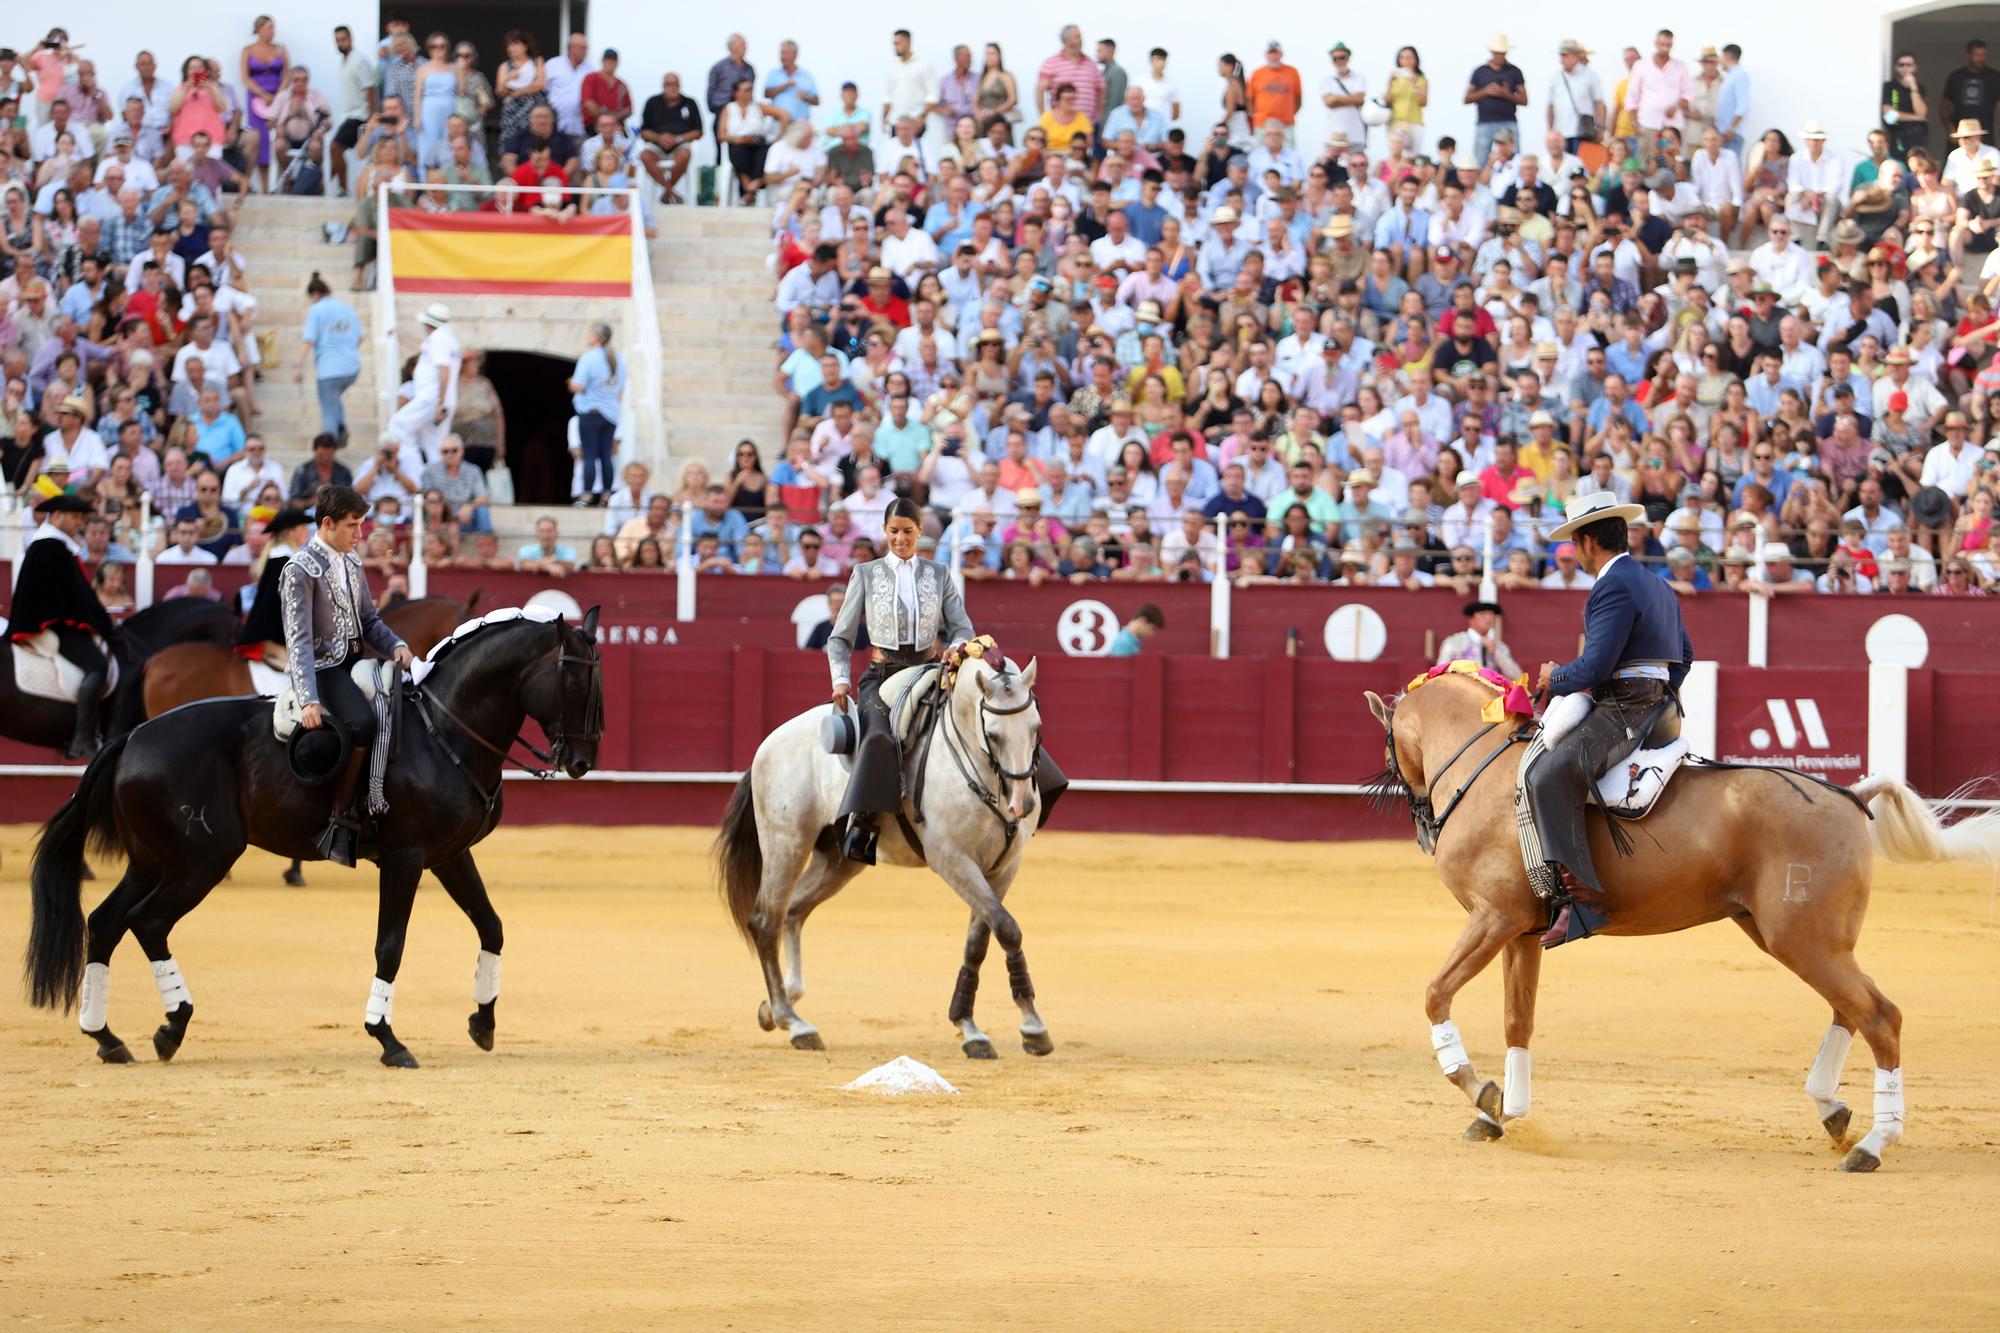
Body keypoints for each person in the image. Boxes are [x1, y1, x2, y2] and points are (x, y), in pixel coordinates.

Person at [1529, 491, 1694, 949]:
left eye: (1574, 544)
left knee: (1549, 775)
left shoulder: (1611, 585)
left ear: (1586, 542)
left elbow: (1595, 667)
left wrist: (1553, 676)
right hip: (1660, 705)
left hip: (1625, 706)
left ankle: (1580, 900)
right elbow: (1685, 656)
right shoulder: (1656, 583)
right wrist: (1660, 689)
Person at [826, 496, 975, 865]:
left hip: (928, 672)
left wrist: (956, 649)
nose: (901, 539)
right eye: (894, 531)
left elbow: (962, 628)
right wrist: (841, 679)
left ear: (920, 531)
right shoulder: (865, 573)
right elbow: (840, 637)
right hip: (881, 675)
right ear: (884, 532)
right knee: (878, 737)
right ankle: (864, 821)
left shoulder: (939, 574)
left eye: (908, 531)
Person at [280, 484, 416, 868]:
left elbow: (370, 621)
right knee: (362, 722)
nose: (361, 534)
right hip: (324, 668)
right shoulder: (299, 569)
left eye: (362, 524)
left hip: (356, 661)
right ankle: (340, 819)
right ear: (327, 524)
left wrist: (396, 646)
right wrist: (308, 698)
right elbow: (299, 640)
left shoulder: (352, 562)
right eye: (353, 525)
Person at [9, 492, 114, 757]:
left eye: (81, 517)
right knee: (97, 666)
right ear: (56, 516)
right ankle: (82, 739)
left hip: (53, 622)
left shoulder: (55, 545)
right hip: (51, 627)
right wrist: (99, 620)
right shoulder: (50, 546)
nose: (80, 522)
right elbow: (72, 598)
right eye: (76, 516)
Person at [388, 302, 459, 463]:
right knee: (434, 444)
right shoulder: (445, 338)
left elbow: (444, 372)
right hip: (438, 399)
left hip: (432, 398)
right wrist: (401, 334)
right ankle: (436, 483)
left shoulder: (439, 338)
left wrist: (440, 403)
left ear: (429, 324)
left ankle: (414, 471)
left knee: (398, 426)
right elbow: (421, 347)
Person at [296, 272, 361, 443]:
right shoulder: (347, 308)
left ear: (315, 295)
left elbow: (308, 339)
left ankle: (330, 443)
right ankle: (340, 425)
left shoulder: (316, 310)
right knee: (333, 399)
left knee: (328, 410)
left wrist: (298, 365)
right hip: (351, 368)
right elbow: (360, 337)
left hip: (329, 369)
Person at [567, 321, 624, 506]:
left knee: (590, 455)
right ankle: (607, 495)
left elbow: (578, 385)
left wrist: (569, 383)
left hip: (591, 411)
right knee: (606, 456)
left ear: (596, 337)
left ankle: (586, 495)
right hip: (611, 413)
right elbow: (620, 390)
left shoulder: (589, 358)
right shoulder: (620, 360)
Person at [1436, 599, 1522, 677]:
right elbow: (1440, 671)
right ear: (1471, 619)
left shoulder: (1499, 647)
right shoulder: (1455, 642)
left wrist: (1496, 653)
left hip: (1492, 692)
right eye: (1482, 614)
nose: (1488, 618)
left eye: (1491, 614)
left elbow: (1516, 676)